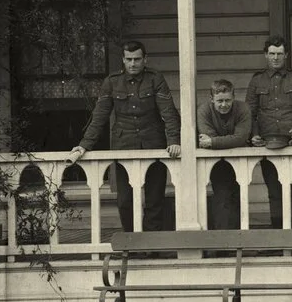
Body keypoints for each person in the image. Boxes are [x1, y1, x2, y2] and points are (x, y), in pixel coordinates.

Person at [70, 40, 181, 232]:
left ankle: (151, 247)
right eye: (129, 59)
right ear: (123, 60)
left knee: (155, 199)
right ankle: (132, 243)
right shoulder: (112, 82)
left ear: (145, 59)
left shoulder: (155, 79)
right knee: (125, 200)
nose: (133, 64)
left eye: (137, 59)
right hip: (123, 147)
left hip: (153, 145)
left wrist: (173, 141)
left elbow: (169, 113)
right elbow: (99, 116)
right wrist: (84, 145)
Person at [246, 36, 292, 229]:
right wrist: (254, 134)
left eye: (279, 54)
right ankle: (277, 232)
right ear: (265, 55)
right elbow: (249, 113)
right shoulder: (257, 80)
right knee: (274, 189)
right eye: (271, 54)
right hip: (267, 144)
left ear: (286, 55)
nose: (275, 58)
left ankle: (291, 232)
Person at [197, 79, 251, 230]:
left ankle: (239, 241)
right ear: (211, 99)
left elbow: (241, 137)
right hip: (216, 164)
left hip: (240, 162)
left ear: (233, 98)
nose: (224, 104)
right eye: (219, 101)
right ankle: (224, 242)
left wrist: (214, 143)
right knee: (222, 198)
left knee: (239, 198)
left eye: (228, 100)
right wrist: (230, 141)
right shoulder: (204, 110)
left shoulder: (242, 108)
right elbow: (206, 136)